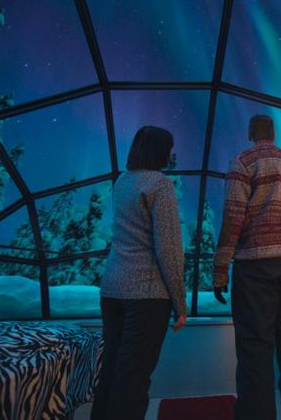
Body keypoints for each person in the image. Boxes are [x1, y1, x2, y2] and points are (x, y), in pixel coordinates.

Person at [213, 115, 281, 420]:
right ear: (273, 133)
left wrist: (220, 268)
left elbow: (233, 216)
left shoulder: (244, 161)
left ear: (250, 133)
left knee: (255, 350)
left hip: (257, 266)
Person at [91, 126, 188, 420]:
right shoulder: (160, 185)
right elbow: (169, 250)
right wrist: (180, 305)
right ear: (160, 150)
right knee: (134, 379)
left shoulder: (122, 181)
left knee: (112, 372)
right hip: (146, 296)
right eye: (169, 148)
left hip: (112, 291)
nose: (171, 154)